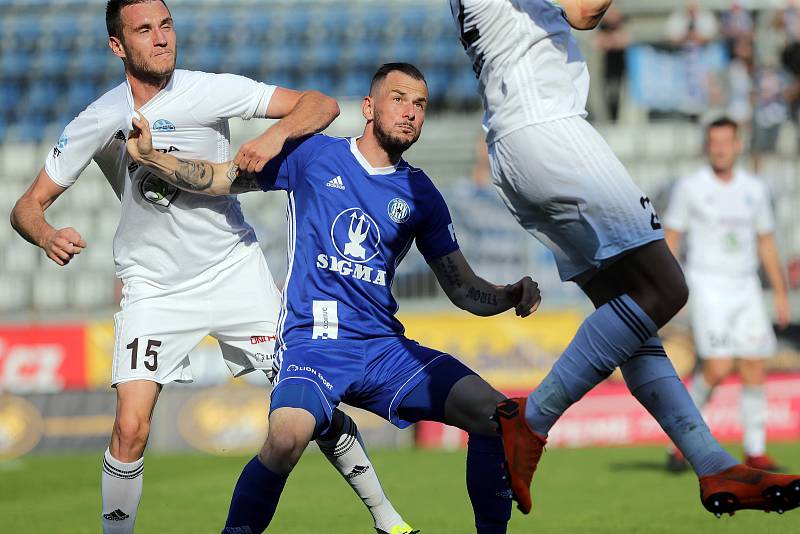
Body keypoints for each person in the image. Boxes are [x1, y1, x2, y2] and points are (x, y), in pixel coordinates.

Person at [9, 2, 413, 534]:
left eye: (166, 26)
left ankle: (388, 521)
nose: (160, 39)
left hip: (233, 272)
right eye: (144, 30)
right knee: (130, 426)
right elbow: (26, 208)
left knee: (308, 399)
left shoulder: (211, 89)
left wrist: (273, 137)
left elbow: (319, 105)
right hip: (153, 287)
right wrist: (47, 235)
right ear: (117, 46)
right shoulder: (99, 118)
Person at [127, 62, 542, 534]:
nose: (410, 113)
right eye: (399, 99)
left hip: (385, 349)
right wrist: (154, 157)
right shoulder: (313, 156)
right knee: (286, 439)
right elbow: (220, 178)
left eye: (420, 104)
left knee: (496, 415)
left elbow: (462, 289)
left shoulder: (421, 193)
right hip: (314, 343)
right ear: (369, 107)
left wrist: (507, 294)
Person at [450, 0, 800, 518]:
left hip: (515, 146)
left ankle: (711, 463)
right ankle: (532, 421)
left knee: (632, 323)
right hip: (549, 130)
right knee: (665, 289)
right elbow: (585, 10)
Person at [663, 117, 791, 473]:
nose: (720, 148)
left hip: (746, 286)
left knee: (753, 363)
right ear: (707, 146)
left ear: (738, 145)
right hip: (708, 284)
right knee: (718, 367)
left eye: (726, 142)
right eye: (714, 142)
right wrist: (669, 287)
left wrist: (780, 293)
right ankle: (681, 440)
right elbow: (671, 238)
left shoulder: (754, 188)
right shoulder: (690, 187)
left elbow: (766, 241)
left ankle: (755, 449)